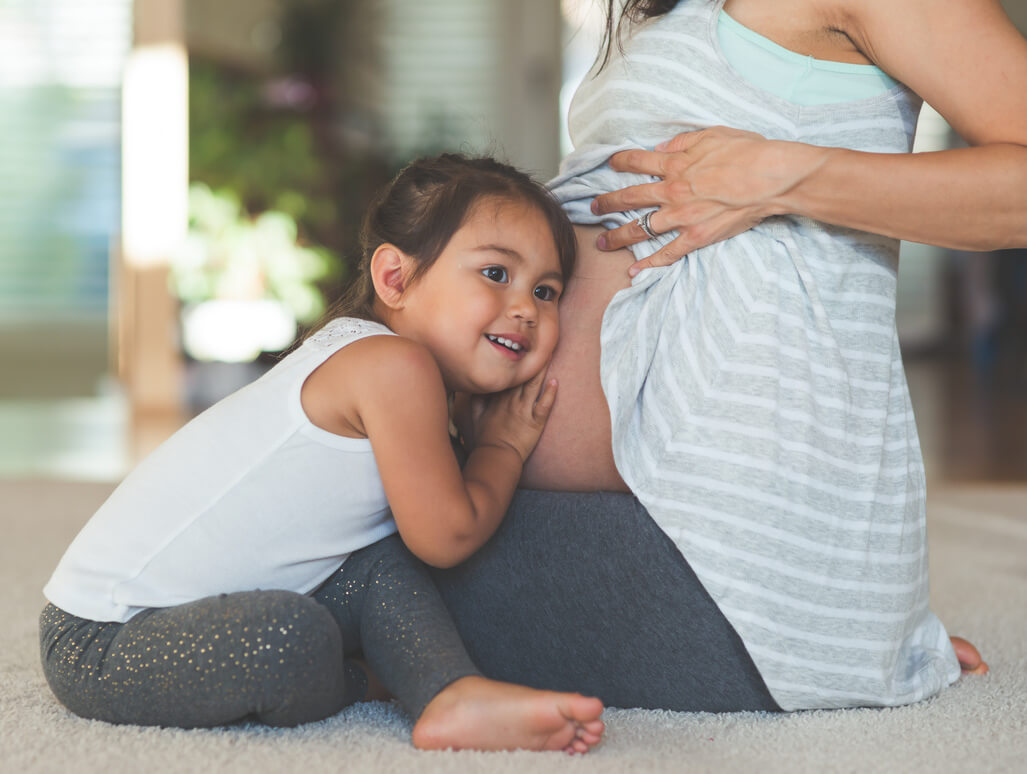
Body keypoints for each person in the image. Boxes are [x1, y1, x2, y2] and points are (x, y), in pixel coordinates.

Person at [433, 0, 1012, 712]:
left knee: (358, 564)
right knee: (354, 496)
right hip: (612, 517)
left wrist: (781, 175)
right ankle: (837, 629)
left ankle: (822, 631)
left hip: (708, 565)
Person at [38, 154, 607, 753]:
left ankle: (449, 694)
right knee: (292, 637)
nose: (526, 308)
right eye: (495, 274)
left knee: (378, 565)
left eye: (546, 291)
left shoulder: (388, 366)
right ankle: (371, 680)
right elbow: (446, 536)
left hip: (192, 613)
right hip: (101, 640)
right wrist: (503, 446)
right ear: (396, 279)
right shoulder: (395, 367)